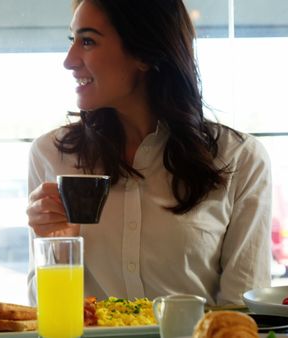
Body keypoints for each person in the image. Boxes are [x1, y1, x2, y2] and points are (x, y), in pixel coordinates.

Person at [26, 0, 272, 306]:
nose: (69, 60)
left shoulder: (240, 159)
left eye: (87, 41)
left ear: (144, 53)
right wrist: (55, 245)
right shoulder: (50, 155)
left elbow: (243, 315)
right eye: (72, 39)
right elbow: (46, 312)